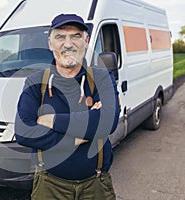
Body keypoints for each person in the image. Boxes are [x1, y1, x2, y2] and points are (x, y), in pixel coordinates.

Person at [15, 13, 120, 200]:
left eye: (76, 36)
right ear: (50, 43)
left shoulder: (102, 78)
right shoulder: (35, 82)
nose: (68, 43)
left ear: (86, 41)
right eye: (60, 36)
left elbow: (107, 123)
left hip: (95, 185)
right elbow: (23, 132)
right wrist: (76, 139)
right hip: (49, 186)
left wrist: (51, 120)